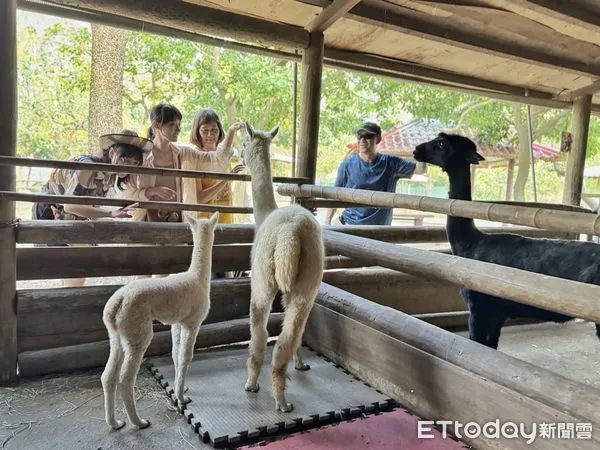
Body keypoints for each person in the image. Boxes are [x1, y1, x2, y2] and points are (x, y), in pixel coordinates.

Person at [32, 129, 153, 287]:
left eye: (134, 163)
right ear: (112, 152)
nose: (129, 166)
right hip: (50, 211)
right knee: (75, 268)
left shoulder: (110, 177)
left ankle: (70, 302)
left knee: (77, 268)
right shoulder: (88, 166)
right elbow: (71, 205)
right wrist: (111, 213)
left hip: (70, 216)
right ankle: (69, 304)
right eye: (125, 160)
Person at [123, 104, 244, 222]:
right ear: (156, 125)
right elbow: (128, 194)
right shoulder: (139, 156)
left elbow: (218, 160)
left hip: (178, 224)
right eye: (172, 125)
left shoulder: (185, 153)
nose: (178, 129)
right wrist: (152, 191)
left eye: (179, 125)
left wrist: (231, 132)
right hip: (146, 228)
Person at [325, 121, 417, 226]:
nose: (363, 140)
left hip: (380, 230)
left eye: (368, 136)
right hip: (350, 225)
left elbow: (417, 166)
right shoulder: (347, 165)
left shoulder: (391, 163)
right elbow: (335, 194)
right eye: (360, 137)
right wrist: (327, 222)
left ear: (378, 139)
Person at [185, 108, 244, 224]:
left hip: (226, 218)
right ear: (197, 131)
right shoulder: (194, 156)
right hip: (206, 223)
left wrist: (229, 178)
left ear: (220, 130)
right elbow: (201, 198)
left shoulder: (223, 154)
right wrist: (227, 178)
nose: (210, 134)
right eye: (204, 130)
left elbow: (223, 186)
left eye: (214, 130)